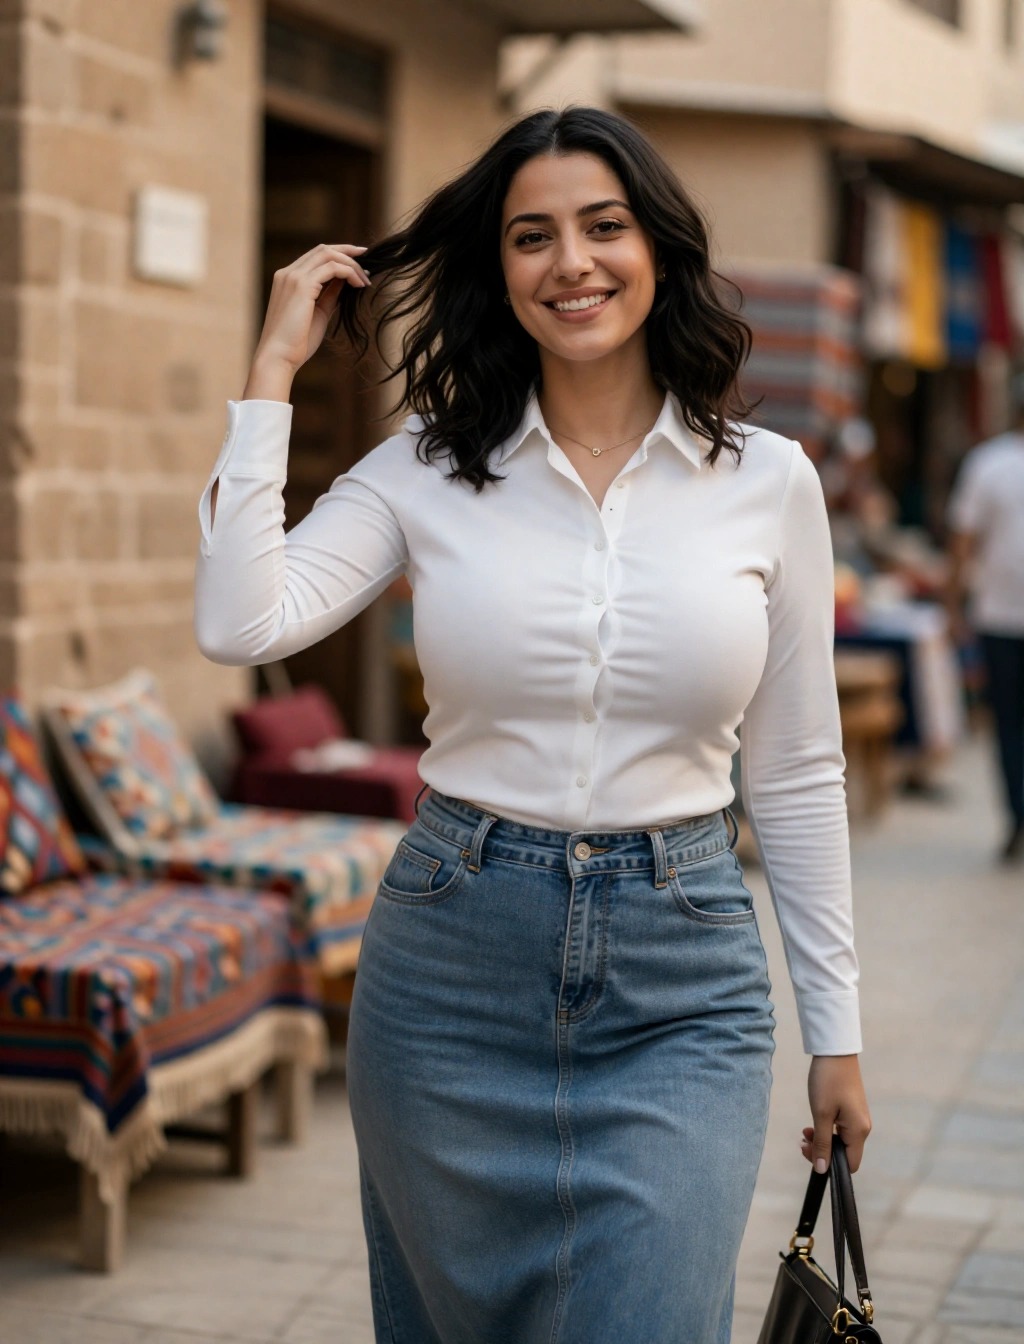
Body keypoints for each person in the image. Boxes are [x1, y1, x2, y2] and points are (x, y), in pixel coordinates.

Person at [194, 107, 871, 1344]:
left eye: (604, 226)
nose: (572, 262)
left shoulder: (768, 482)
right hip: (451, 968)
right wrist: (271, 373)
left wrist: (839, 1033)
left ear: (657, 247)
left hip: (684, 981)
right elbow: (243, 623)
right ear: (494, 273)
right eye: (531, 236)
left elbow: (796, 766)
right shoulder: (424, 469)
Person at [947, 373, 1024, 864]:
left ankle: (1018, 815)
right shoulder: (988, 461)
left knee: (1009, 725)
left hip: (998, 617)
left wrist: (953, 605)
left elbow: (961, 543)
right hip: (997, 616)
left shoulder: (988, 462)